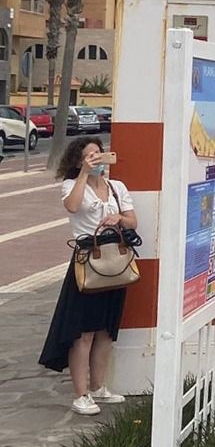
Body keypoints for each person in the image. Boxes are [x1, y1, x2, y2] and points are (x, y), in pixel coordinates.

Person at [39, 138, 137, 414]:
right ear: (79, 159)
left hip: (115, 259)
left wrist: (119, 219)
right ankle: (80, 393)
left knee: (106, 329)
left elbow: (133, 221)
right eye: (89, 155)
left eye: (98, 153)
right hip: (88, 260)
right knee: (83, 331)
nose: (96, 158)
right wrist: (84, 173)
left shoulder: (117, 187)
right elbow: (72, 206)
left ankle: (98, 386)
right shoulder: (71, 185)